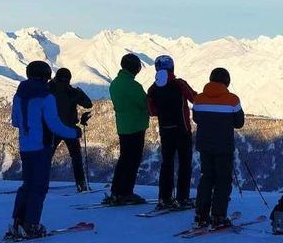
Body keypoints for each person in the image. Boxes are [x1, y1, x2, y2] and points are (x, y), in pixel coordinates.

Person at [7, 61, 81, 239]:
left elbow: (15, 121)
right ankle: (31, 225)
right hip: (41, 146)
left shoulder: (19, 95)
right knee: (39, 187)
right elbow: (54, 125)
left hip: (25, 146)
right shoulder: (47, 97)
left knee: (27, 185)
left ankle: (18, 222)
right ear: (45, 76)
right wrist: (74, 132)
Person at [192, 68, 244, 229]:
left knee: (206, 178)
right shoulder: (232, 100)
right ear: (226, 82)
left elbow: (196, 118)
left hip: (205, 146)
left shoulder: (199, 99)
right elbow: (239, 123)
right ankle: (219, 216)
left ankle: (201, 215)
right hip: (223, 147)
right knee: (223, 180)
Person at [147, 55, 197, 210]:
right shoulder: (179, 84)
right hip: (183, 130)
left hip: (165, 131)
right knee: (184, 164)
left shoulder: (153, 89)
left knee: (167, 164)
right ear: (172, 68)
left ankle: (165, 198)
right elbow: (194, 98)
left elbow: (152, 111)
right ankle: (183, 198)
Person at [103, 53, 149, 205]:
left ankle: (116, 191)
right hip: (136, 125)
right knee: (133, 161)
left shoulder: (115, 83)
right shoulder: (133, 86)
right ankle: (126, 192)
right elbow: (145, 104)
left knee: (124, 159)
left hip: (123, 126)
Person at [49, 68, 93, 192]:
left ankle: (39, 183)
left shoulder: (48, 89)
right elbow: (88, 104)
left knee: (46, 157)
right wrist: (78, 91)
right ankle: (81, 184)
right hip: (69, 128)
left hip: (52, 129)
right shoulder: (72, 91)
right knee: (76, 158)